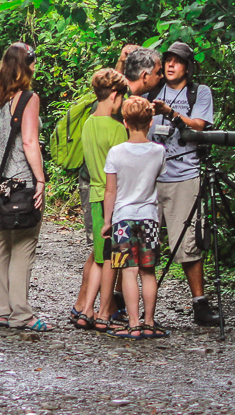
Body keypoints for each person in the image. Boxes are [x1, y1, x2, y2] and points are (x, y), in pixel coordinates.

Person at [0, 42, 53, 332]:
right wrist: (41, 180)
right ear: (25, 65)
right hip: (21, 184)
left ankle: (2, 311)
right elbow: (30, 141)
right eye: (32, 60)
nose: (35, 64)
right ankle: (22, 313)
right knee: (23, 246)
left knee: (1, 246)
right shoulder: (28, 98)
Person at [149, 41, 221, 326]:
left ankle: (199, 304)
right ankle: (131, 304)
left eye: (177, 61)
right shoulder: (152, 90)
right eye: (167, 60)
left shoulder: (199, 92)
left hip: (185, 175)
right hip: (151, 176)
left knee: (188, 243)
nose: (170, 65)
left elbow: (200, 125)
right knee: (145, 242)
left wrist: (171, 113)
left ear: (188, 67)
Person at [98, 96, 168, 339]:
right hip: (149, 218)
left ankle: (134, 324)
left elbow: (110, 191)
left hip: (122, 220)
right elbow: (160, 179)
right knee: (148, 271)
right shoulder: (159, 152)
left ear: (125, 122)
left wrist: (107, 221)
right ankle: (149, 322)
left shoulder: (116, 153)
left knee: (128, 270)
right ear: (150, 122)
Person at [69, 69, 129, 331]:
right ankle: (104, 313)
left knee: (98, 255)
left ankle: (87, 308)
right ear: (115, 95)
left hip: (94, 195)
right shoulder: (116, 129)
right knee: (112, 259)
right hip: (113, 200)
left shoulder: (88, 123)